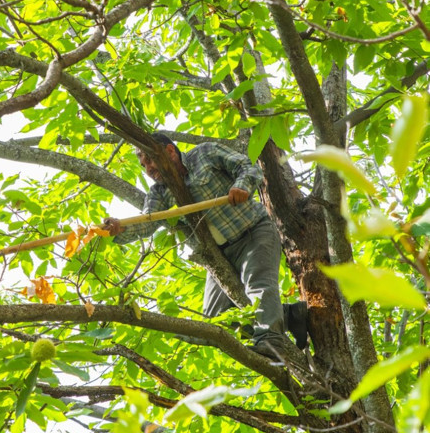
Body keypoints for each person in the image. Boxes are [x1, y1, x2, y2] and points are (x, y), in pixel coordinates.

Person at [102, 133, 307, 355]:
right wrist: (118, 229)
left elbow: (247, 167)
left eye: (150, 160)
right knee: (216, 320)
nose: (148, 169)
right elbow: (147, 222)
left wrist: (241, 186)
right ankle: (290, 316)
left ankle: (270, 341)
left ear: (170, 151)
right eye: (143, 165)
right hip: (220, 254)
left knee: (258, 285)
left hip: (253, 233)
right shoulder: (159, 193)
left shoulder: (205, 153)